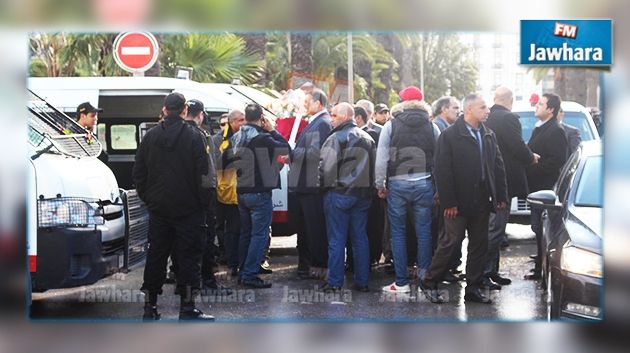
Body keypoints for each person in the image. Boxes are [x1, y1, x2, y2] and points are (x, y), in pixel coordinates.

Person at [419, 93, 508, 304]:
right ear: (469, 109)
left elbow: (498, 166)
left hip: (482, 200)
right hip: (457, 202)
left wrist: (501, 195)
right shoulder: (449, 136)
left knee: (479, 244)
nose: (488, 111)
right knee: (451, 242)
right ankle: (430, 281)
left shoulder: (488, 134)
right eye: (483, 107)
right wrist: (449, 202)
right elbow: (442, 170)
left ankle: (473, 288)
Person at [133, 92, 214, 321]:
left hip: (159, 209)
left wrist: (149, 199)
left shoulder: (151, 137)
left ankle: (150, 307)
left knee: (156, 257)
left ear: (165, 109)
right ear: (185, 110)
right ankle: (187, 308)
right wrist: (203, 205)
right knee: (189, 258)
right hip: (189, 210)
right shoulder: (196, 136)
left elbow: (139, 172)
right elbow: (206, 176)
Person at [375, 86, 441, 293]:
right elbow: (440, 160)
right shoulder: (432, 127)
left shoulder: (391, 125)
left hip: (397, 184)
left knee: (398, 233)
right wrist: (439, 188)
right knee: (424, 232)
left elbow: (381, 158)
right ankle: (423, 279)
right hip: (425, 183)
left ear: (402, 103)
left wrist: (380, 184)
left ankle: (401, 282)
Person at [484, 87, 539, 289]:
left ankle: (492, 271)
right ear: (511, 100)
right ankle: (486, 273)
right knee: (496, 229)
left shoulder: (488, 117)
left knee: (496, 229)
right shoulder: (509, 118)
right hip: (503, 181)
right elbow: (516, 145)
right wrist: (531, 157)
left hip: (491, 179)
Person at [230, 104, 290, 288]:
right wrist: (272, 130)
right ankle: (249, 274)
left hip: (242, 191)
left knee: (246, 233)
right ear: (262, 118)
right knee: (259, 235)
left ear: (246, 117)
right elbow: (285, 150)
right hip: (259, 192)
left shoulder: (237, 136)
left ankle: (242, 270)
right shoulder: (263, 138)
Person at [319, 102, 376, 292]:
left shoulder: (335, 138)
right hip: (362, 195)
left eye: (334, 115)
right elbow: (373, 169)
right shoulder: (367, 138)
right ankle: (362, 281)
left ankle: (335, 282)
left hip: (338, 194)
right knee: (360, 238)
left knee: (336, 240)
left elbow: (325, 169)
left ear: (344, 116)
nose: (331, 119)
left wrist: (322, 188)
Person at [183, 99, 232, 294]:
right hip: (201, 200)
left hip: (181, 199)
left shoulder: (167, 133)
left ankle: (188, 285)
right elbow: (208, 171)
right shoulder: (201, 135)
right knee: (206, 241)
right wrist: (208, 199)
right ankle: (207, 283)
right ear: (200, 115)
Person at [287, 88, 333, 280]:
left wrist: (291, 153)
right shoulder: (315, 122)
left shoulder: (322, 123)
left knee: (314, 227)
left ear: (318, 103)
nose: (304, 105)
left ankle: (318, 264)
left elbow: (315, 153)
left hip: (311, 184)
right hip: (304, 184)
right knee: (305, 227)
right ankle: (307, 264)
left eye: (307, 101)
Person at [525, 93, 568, 280]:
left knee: (542, 229)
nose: (536, 106)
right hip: (535, 188)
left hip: (545, 189)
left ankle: (542, 269)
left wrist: (533, 164)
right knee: (537, 228)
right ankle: (539, 266)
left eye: (541, 104)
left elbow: (557, 161)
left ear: (551, 109)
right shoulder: (540, 128)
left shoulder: (555, 131)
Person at [213, 109, 246, 277]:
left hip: (237, 192)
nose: (243, 123)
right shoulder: (218, 140)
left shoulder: (244, 137)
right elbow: (215, 165)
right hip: (221, 191)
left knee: (235, 229)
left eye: (244, 120)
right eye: (240, 120)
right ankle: (225, 258)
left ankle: (234, 263)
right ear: (233, 122)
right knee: (221, 228)